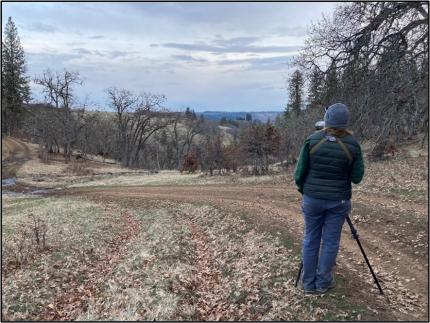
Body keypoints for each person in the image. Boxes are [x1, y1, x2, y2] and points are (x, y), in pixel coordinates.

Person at [294, 103, 365, 294]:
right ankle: (323, 282)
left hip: (312, 199)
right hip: (338, 201)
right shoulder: (353, 145)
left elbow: (299, 174)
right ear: (345, 122)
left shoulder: (312, 140)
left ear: (326, 120)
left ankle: (308, 284)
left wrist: (306, 191)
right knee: (331, 241)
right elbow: (357, 178)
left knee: (311, 239)